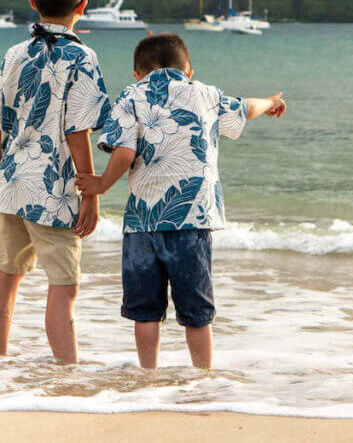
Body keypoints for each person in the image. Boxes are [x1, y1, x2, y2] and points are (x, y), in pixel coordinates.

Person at [75, 33, 285, 370]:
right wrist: (272, 102)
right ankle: (203, 375)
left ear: (138, 74)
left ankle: (148, 374)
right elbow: (247, 106)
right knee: (197, 312)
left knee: (144, 311)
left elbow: (125, 151)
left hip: (143, 223)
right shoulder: (205, 93)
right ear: (188, 71)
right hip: (193, 220)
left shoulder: (131, 95)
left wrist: (100, 184)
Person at [0, 0, 111, 364]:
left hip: (13, 185)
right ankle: (66, 371)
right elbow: (77, 130)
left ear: (32, 1)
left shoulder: (14, 54)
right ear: (83, 6)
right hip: (54, 192)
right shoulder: (82, 58)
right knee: (64, 284)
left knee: (7, 273)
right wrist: (91, 191)